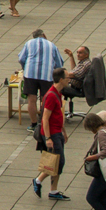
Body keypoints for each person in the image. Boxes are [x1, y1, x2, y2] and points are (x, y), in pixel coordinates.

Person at [33, 68, 70, 200]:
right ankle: (38, 181)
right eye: (67, 78)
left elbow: (58, 114)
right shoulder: (51, 96)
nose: (69, 80)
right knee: (57, 161)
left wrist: (63, 131)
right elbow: (45, 118)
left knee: (57, 161)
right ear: (61, 79)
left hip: (57, 132)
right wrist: (48, 138)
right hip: (52, 134)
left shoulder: (57, 94)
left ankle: (53, 190)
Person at [17, 28, 64, 128]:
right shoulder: (52, 45)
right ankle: (44, 123)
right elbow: (59, 63)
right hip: (46, 75)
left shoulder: (29, 43)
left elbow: (21, 58)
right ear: (44, 35)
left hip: (30, 74)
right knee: (45, 100)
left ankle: (33, 124)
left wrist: (25, 67)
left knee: (31, 100)